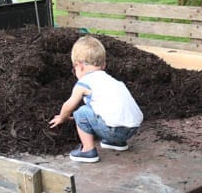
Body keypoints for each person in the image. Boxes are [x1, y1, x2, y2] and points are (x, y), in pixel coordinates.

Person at [48, 35, 143, 163]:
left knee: (81, 112)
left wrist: (62, 117)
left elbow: (69, 105)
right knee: (99, 109)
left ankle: (88, 150)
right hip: (133, 129)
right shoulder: (111, 81)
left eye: (74, 68)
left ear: (79, 66)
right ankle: (117, 143)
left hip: (114, 130)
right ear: (103, 65)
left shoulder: (84, 83)